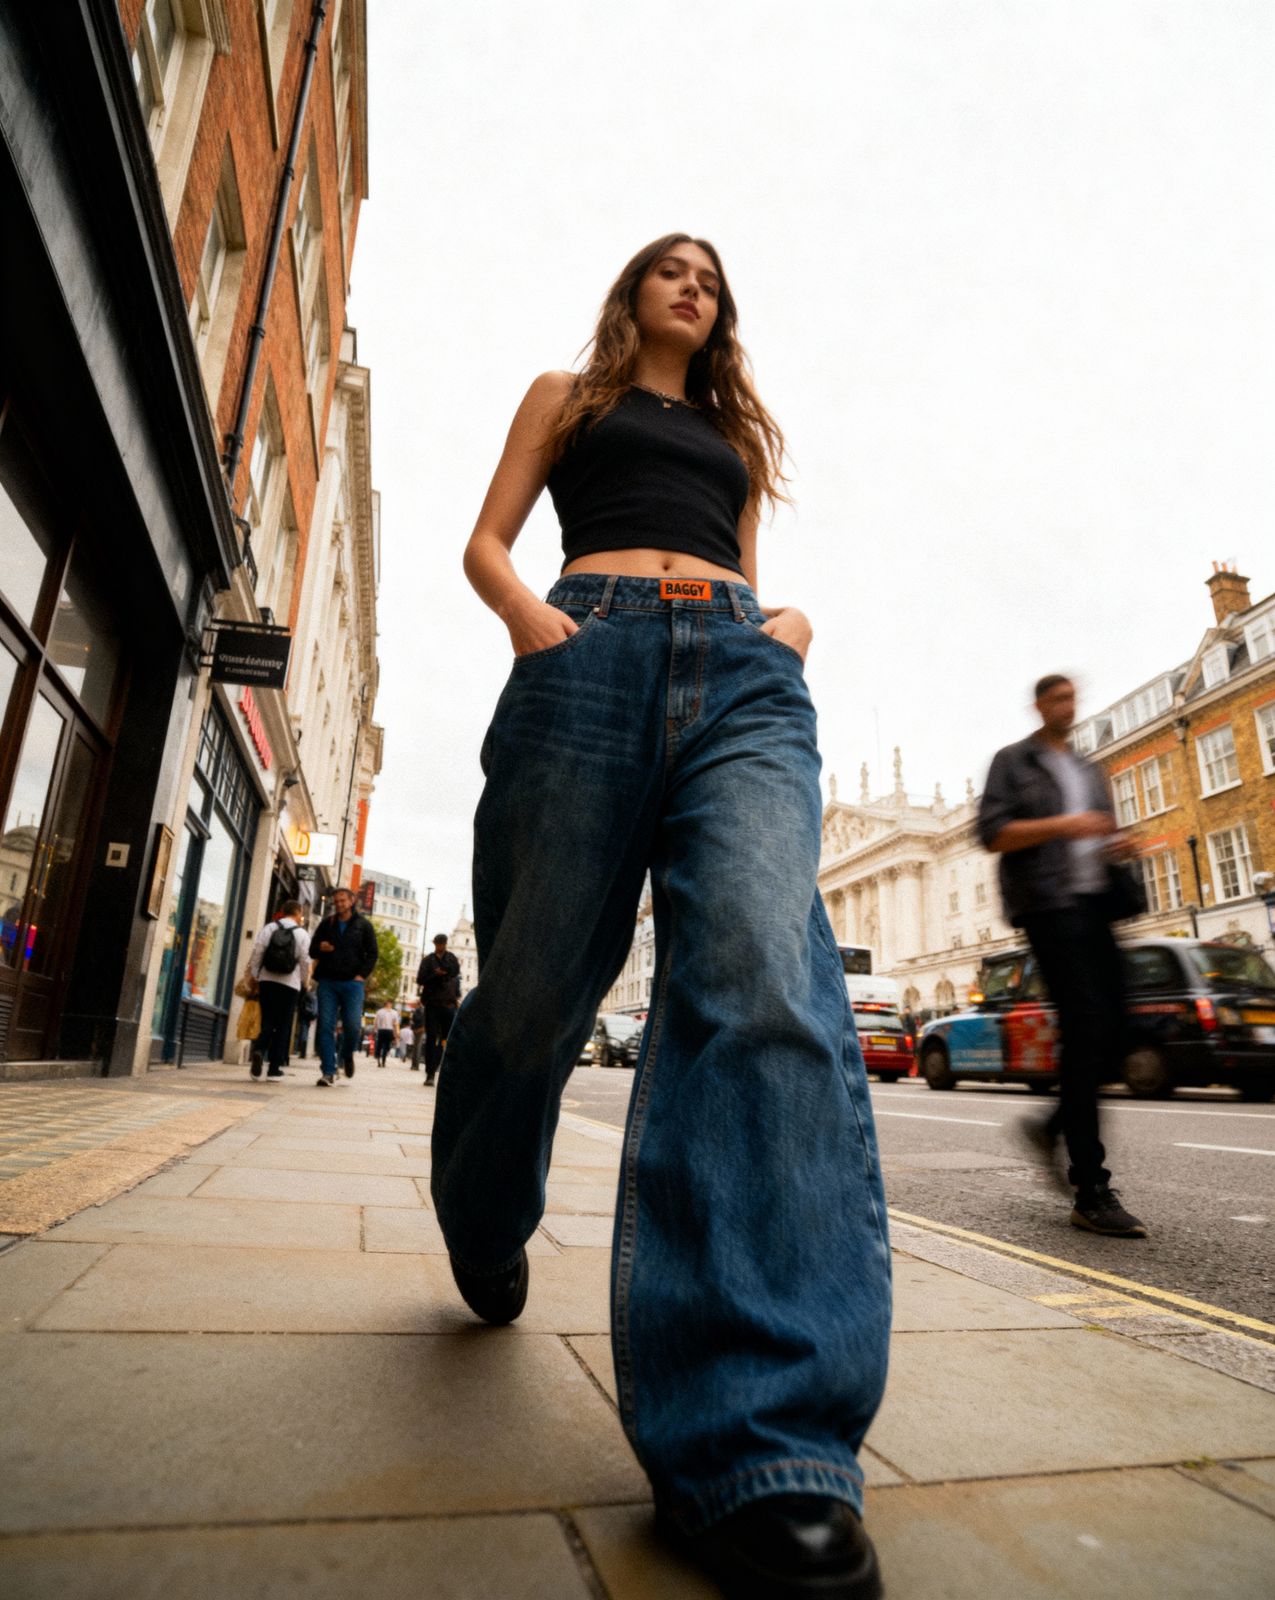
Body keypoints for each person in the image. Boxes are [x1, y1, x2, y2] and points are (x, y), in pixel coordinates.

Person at [429, 234, 890, 1600]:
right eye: (667, 267)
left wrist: (779, 630)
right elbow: (482, 539)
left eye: (710, 274)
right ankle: (482, 1214)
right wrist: (529, 618)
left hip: (742, 677)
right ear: (631, 292)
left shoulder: (735, 440)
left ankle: (762, 1443)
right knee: (527, 996)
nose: (692, 283)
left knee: (757, 962)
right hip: (586, 655)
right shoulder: (564, 397)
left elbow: (743, 564)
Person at [978, 673, 1146, 1238]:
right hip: (1049, 909)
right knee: (1086, 1030)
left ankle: (1050, 1126)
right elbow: (993, 833)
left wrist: (1114, 843)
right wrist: (1066, 826)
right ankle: (1091, 1187)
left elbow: (1100, 833)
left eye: (1075, 697)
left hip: (1097, 905)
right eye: (1058, 698)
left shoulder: (1087, 769)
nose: (1068, 707)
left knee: (1119, 1030)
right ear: (1040, 705)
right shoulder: (1013, 762)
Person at [309, 886, 379, 1087]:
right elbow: (312, 950)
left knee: (353, 1027)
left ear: (351, 901)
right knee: (325, 1026)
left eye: (343, 900)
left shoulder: (363, 926)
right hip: (328, 982)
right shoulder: (327, 924)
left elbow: (372, 953)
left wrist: (361, 975)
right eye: (336, 901)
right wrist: (320, 948)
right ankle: (328, 1071)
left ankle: (346, 1055)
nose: (339, 904)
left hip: (352, 984)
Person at [245, 900, 310, 1079]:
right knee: (283, 1025)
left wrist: (255, 974)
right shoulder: (302, 934)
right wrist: (305, 982)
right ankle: (274, 1069)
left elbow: (258, 951)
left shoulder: (270, 928)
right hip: (290, 984)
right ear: (298, 913)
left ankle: (258, 1050)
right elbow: (305, 961)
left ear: (282, 912)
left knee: (267, 1020)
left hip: (267, 980)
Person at [417, 933, 461, 1088]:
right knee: (430, 1038)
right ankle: (430, 1072)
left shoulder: (451, 958)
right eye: (438, 943)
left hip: (448, 1005)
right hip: (432, 1004)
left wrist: (446, 972)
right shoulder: (428, 960)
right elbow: (420, 979)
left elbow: (455, 972)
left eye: (442, 943)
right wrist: (434, 975)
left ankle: (437, 1067)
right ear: (435, 944)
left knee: (445, 1040)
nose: (440, 946)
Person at [294, 982, 318, 1059]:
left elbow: (302, 1005)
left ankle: (302, 1052)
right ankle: (303, 1052)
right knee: (305, 1033)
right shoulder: (315, 996)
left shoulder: (308, 995)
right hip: (311, 1015)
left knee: (303, 1033)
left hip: (305, 1016)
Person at [373, 1000, 398, 1067]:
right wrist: (395, 1034)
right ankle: (381, 1061)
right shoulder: (381, 1012)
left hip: (385, 1030)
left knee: (382, 1046)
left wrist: (395, 1033)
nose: (389, 1005)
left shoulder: (393, 1012)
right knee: (383, 1046)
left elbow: (395, 1024)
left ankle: (381, 1060)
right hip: (385, 1030)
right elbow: (376, 1022)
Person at [409, 999, 426, 1070]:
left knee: (417, 1048)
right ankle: (415, 1065)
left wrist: (421, 1028)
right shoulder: (418, 1010)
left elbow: (423, 1020)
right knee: (416, 1047)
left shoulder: (420, 1010)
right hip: (418, 1030)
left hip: (419, 1030)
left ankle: (415, 1065)